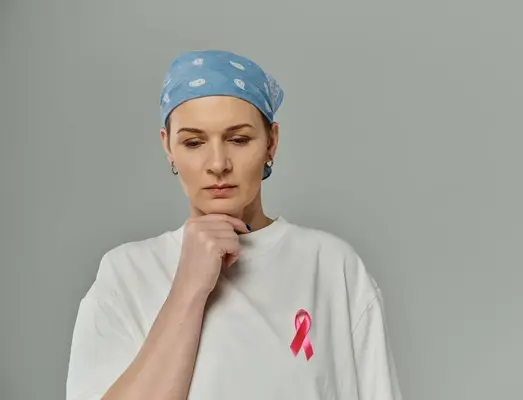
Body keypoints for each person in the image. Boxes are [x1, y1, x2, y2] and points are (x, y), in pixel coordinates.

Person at [66, 49, 402, 400]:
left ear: (271, 142)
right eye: (193, 142)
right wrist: (188, 288)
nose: (217, 163)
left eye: (238, 139)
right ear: (169, 148)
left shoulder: (332, 266)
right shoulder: (126, 274)